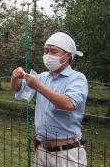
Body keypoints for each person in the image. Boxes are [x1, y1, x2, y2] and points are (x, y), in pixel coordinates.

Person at [10, 32, 88, 167]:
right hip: (42, 150)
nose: (48, 55)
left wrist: (39, 87)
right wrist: (15, 77)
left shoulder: (77, 78)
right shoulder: (42, 77)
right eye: (46, 51)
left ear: (67, 55)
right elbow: (18, 89)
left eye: (53, 51)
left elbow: (69, 104)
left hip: (67, 153)